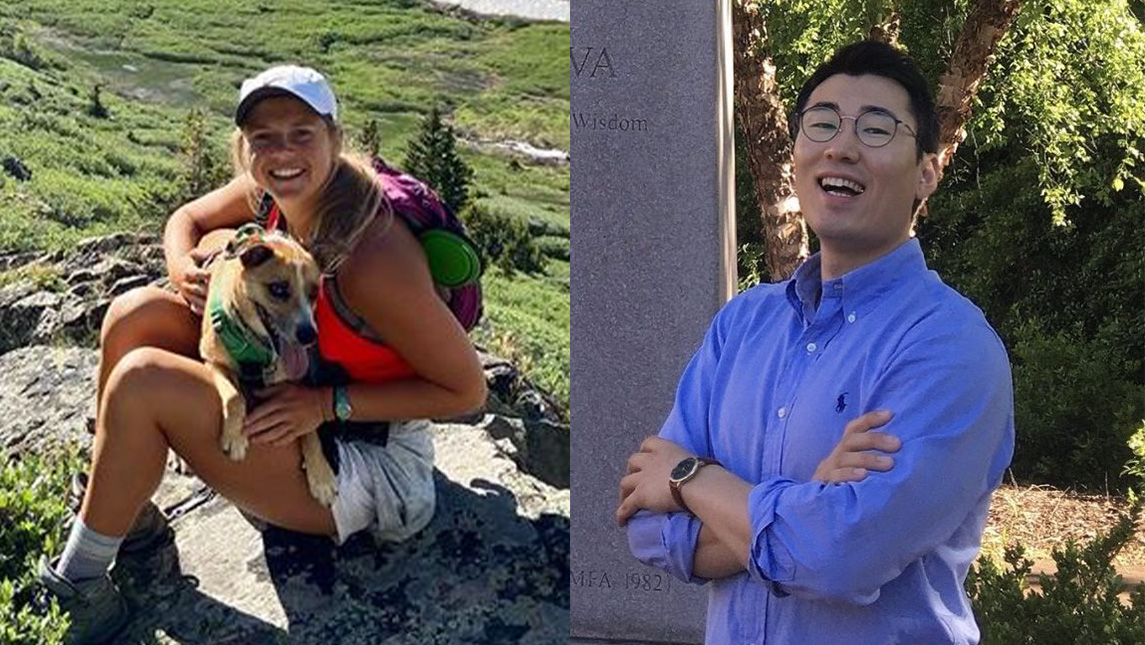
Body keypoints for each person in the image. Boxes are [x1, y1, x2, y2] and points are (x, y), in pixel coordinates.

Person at [37, 64, 487, 644]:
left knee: (143, 381)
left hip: (370, 459)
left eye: (302, 133)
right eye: (264, 137)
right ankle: (122, 516)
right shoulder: (276, 189)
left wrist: (325, 405)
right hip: (284, 391)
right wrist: (182, 264)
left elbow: (467, 391)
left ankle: (80, 587)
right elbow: (187, 219)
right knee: (133, 314)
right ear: (245, 147)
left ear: (334, 138)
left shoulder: (371, 256)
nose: (283, 152)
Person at [617, 41, 1014, 644]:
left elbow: (839, 557)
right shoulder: (743, 326)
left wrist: (690, 479)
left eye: (876, 129)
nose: (841, 147)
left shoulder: (950, 348)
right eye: (822, 123)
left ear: (927, 173)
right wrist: (806, 503)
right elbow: (648, 529)